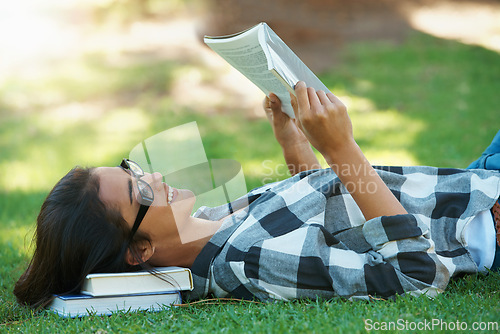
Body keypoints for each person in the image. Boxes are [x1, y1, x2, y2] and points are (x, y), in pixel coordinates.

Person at [14, 82, 500, 308]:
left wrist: (292, 142)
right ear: (139, 251)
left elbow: (331, 221)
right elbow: (415, 274)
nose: (156, 176)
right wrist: (341, 147)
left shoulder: (206, 226)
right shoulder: (249, 262)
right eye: (140, 189)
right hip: (486, 221)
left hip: (468, 184)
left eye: (134, 169)